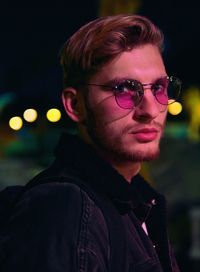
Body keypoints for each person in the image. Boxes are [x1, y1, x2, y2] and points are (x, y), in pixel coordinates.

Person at [0, 14, 181, 271]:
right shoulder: (64, 209)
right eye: (124, 89)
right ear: (75, 105)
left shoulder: (134, 202)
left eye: (160, 88)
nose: (150, 109)